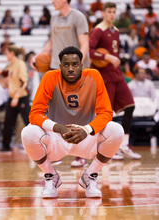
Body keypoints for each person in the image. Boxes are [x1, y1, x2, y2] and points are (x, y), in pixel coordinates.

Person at [21, 46, 124, 198]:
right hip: (56, 137)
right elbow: (35, 114)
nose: (70, 68)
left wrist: (87, 130)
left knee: (116, 130)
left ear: (82, 66)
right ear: (60, 66)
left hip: (85, 137)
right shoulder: (50, 77)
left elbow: (106, 112)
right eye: (66, 65)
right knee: (28, 133)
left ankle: (90, 176)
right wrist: (58, 128)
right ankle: (50, 176)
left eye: (75, 64)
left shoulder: (94, 76)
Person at [31, 0, 90, 167]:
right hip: (56, 70)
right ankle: (55, 152)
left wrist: (78, 65)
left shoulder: (78, 17)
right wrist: (38, 56)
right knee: (55, 112)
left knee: (76, 111)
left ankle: (81, 154)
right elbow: (51, 43)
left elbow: (85, 43)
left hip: (74, 72)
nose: (52, 1)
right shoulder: (54, 18)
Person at [89, 2, 141, 160]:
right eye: (109, 12)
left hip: (117, 74)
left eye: (114, 12)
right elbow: (90, 51)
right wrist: (107, 57)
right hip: (105, 77)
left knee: (130, 106)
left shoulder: (116, 31)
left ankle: (124, 145)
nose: (112, 14)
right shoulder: (98, 30)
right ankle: (106, 147)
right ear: (104, 13)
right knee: (107, 113)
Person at [0, 45, 30, 152]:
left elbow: (24, 82)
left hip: (21, 97)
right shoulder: (11, 65)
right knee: (8, 122)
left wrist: (16, 97)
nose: (5, 55)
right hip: (12, 97)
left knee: (28, 121)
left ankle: (41, 143)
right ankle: (6, 146)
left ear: (11, 53)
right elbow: (3, 73)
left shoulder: (20, 64)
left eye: (6, 53)